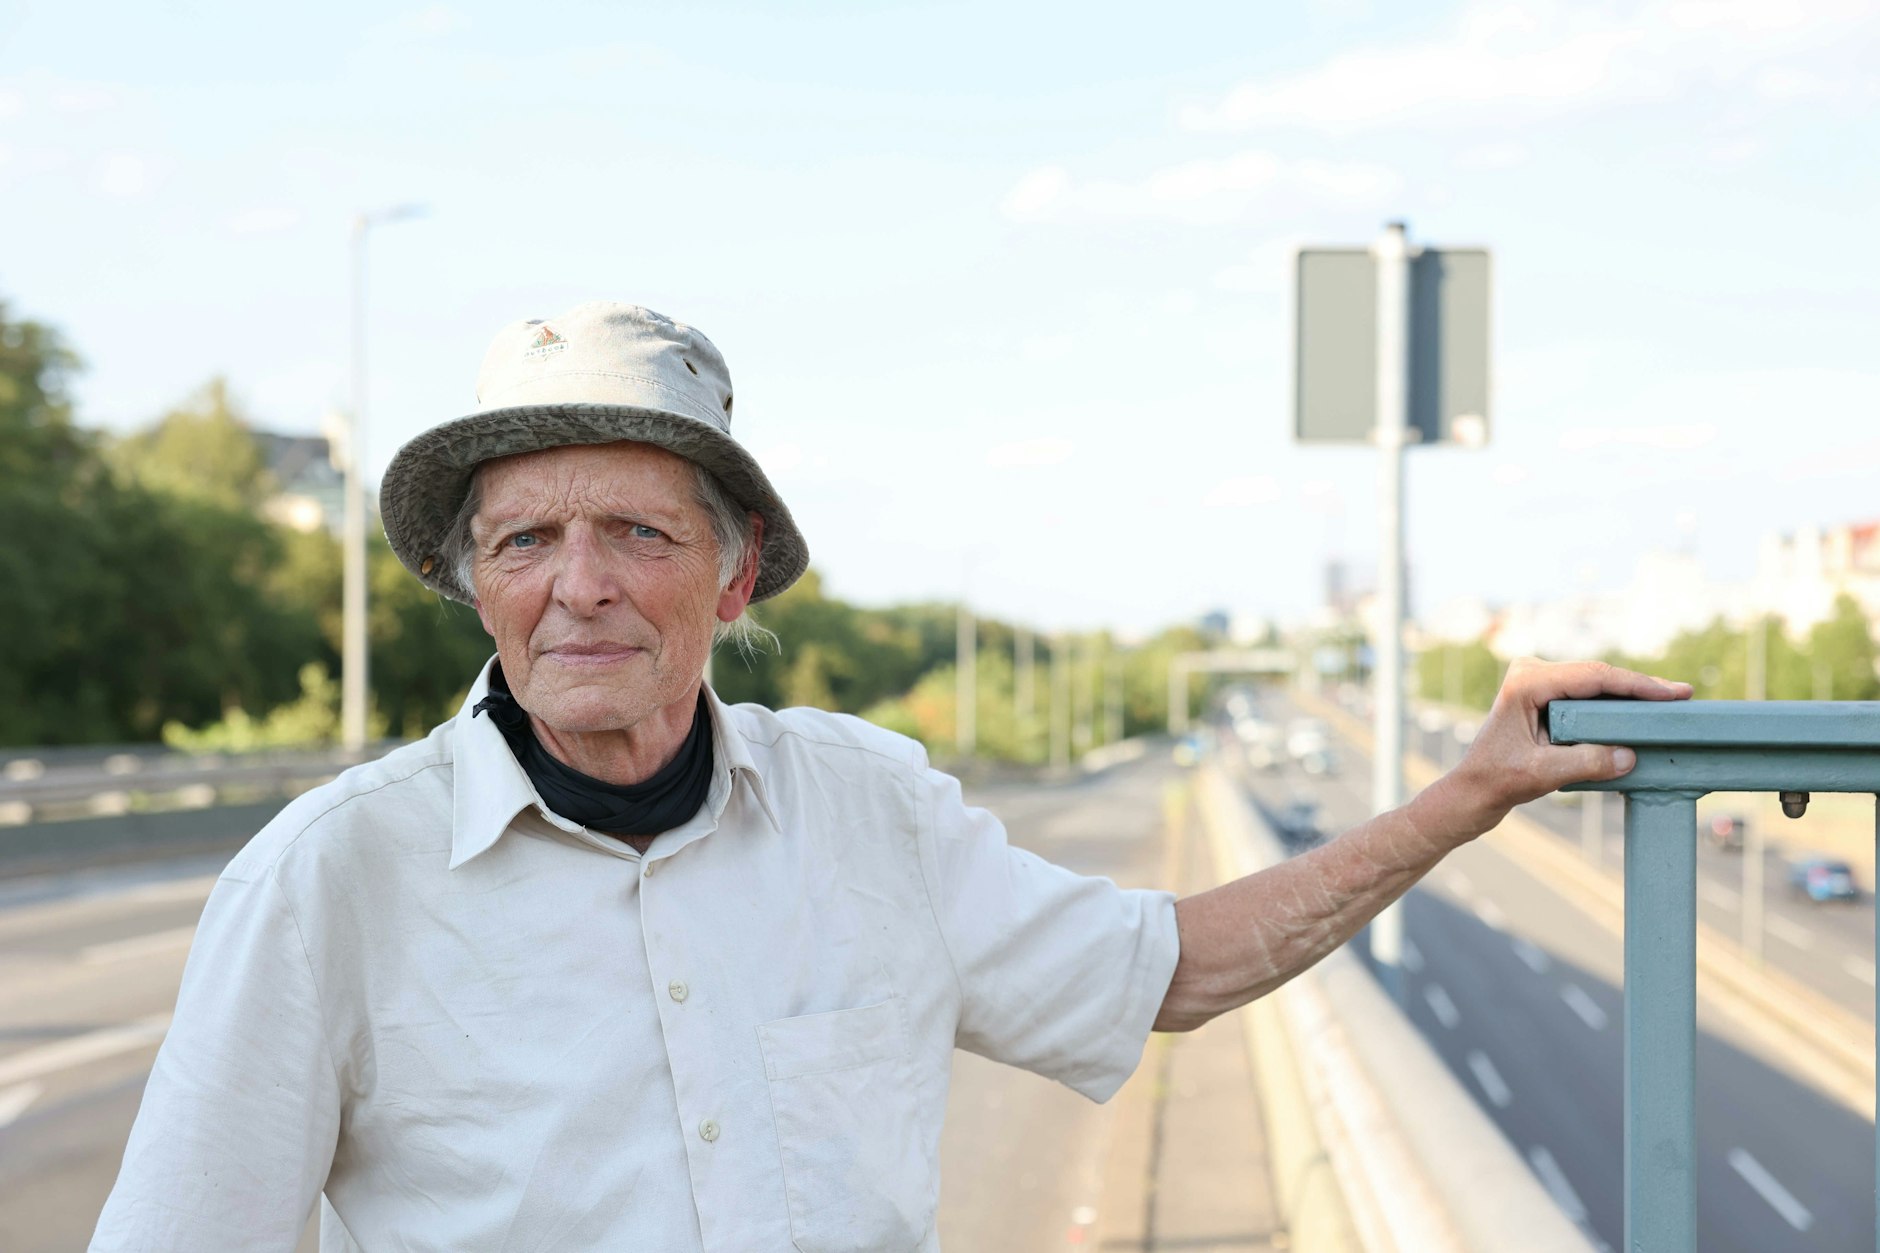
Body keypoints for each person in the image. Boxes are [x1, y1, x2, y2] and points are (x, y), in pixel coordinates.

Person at [91, 302, 1689, 1252]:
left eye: (638, 532)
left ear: (735, 583)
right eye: (524, 539)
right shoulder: (328, 878)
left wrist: (1467, 793)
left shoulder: (872, 814)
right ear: (477, 586)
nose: (578, 583)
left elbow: (1178, 967)